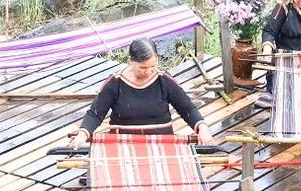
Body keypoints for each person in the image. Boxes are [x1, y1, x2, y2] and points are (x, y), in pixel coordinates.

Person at [70, 37, 214, 148]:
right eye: (143, 67)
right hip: (123, 145)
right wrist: (83, 133)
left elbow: (187, 109)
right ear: (130, 61)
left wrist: (202, 127)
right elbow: (95, 113)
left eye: (153, 65)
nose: (149, 71)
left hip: (162, 145)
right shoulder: (116, 83)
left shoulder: (164, 81)